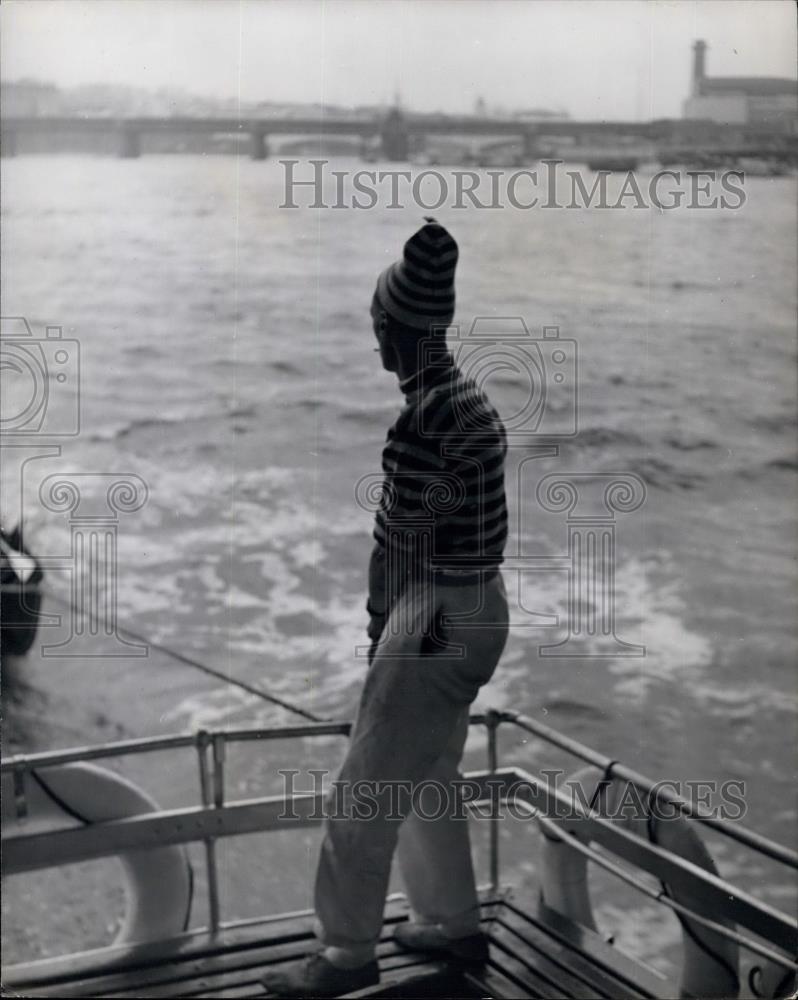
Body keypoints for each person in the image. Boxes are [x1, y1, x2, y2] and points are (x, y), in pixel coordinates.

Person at [263, 218, 509, 997]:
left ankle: (342, 956)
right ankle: (451, 925)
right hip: (486, 606)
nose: (376, 340)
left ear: (395, 330)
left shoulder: (418, 421)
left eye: (379, 326)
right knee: (432, 771)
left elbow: (397, 548)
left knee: (365, 789)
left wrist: (380, 636)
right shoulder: (473, 400)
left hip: (434, 614)